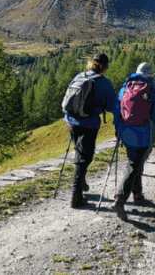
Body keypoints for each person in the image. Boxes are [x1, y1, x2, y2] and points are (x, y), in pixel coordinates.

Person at [112, 62, 155, 220]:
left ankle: (137, 193)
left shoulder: (127, 85)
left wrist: (117, 127)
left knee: (134, 160)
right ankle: (120, 198)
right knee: (134, 164)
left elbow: (117, 107)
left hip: (125, 129)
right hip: (142, 131)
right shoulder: (152, 88)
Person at [62, 53, 116, 208]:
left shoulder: (80, 76)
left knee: (80, 153)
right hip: (89, 123)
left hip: (71, 121)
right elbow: (111, 106)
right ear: (105, 67)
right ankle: (76, 197)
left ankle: (82, 185)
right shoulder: (104, 83)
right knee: (84, 158)